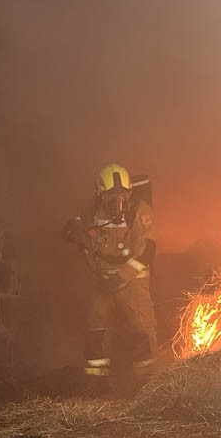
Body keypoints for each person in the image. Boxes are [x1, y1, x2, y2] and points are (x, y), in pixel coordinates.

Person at [63, 163, 158, 395]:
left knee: (142, 330)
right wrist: (75, 231)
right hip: (102, 282)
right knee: (96, 331)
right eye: (110, 196)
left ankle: (148, 385)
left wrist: (121, 278)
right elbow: (70, 228)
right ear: (99, 194)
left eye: (123, 195)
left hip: (132, 282)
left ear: (131, 193)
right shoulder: (90, 214)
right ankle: (97, 384)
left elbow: (146, 251)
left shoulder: (140, 213)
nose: (118, 201)